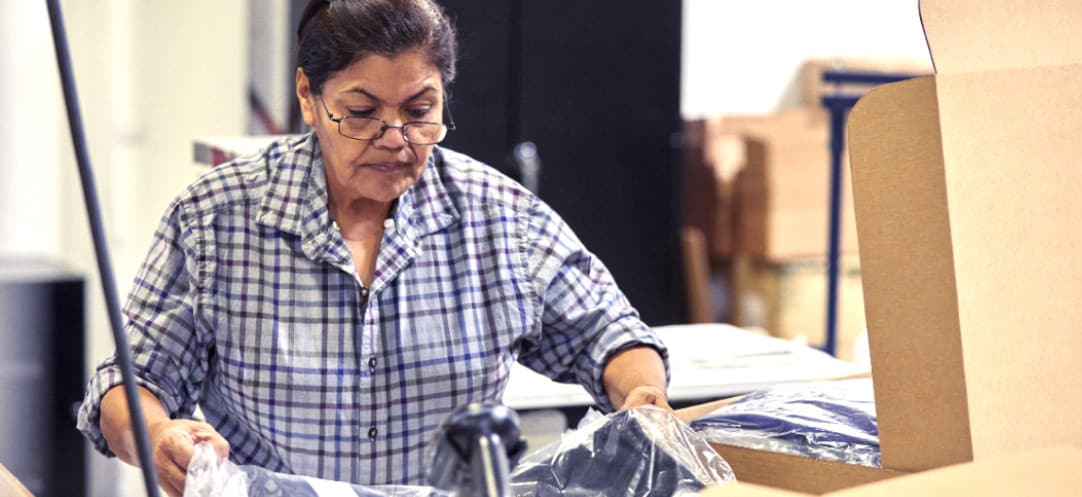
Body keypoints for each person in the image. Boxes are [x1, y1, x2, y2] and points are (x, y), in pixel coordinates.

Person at [76, 0, 669, 495]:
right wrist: (156, 437)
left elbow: (610, 334)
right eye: (361, 114)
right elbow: (129, 387)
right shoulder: (215, 220)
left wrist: (643, 394)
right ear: (308, 95)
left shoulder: (499, 218)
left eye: (420, 111)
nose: (395, 140)